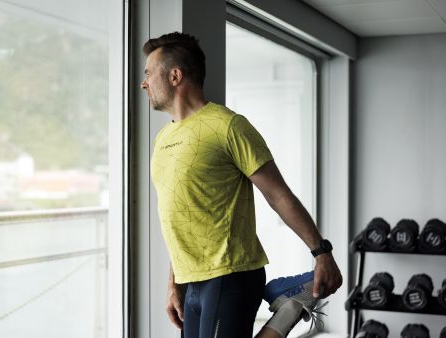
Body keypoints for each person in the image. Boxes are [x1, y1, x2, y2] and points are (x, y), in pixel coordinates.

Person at [142, 32, 342, 338]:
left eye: (148, 74)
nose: (144, 83)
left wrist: (321, 252)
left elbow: (277, 194)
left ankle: (289, 308)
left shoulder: (227, 126)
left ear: (174, 76)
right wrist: (174, 284)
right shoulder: (163, 139)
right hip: (193, 280)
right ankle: (289, 303)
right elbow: (181, 216)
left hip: (231, 273)